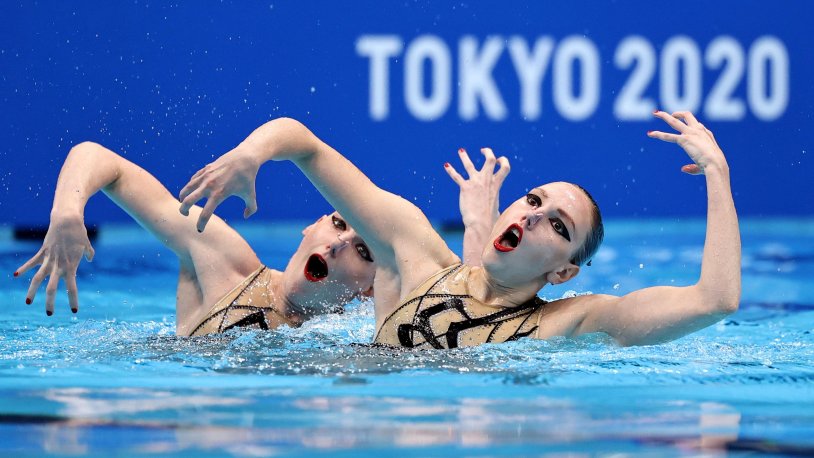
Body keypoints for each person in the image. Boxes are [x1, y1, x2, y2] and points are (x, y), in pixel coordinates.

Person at [179, 110, 741, 348]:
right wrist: (251, 154)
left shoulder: (572, 322)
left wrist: (717, 171)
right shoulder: (415, 252)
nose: (530, 214)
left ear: (564, 270)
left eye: (556, 225)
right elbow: (303, 143)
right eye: (533, 199)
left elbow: (715, 300)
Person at [13, 141, 378, 336]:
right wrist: (66, 212)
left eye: (363, 251)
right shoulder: (226, 262)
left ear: (370, 290)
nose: (337, 244)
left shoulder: (358, 345)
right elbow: (100, 160)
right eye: (338, 223)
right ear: (310, 227)